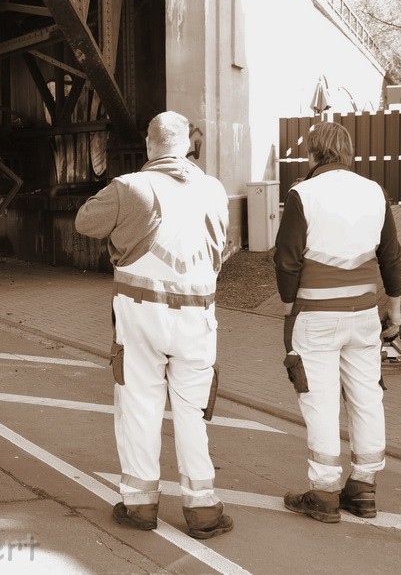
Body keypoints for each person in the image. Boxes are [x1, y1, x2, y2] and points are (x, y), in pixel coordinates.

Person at [75, 111, 233, 540]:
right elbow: (220, 247)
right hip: (198, 315)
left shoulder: (130, 187)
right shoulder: (214, 189)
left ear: (150, 144)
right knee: (193, 412)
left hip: (141, 314)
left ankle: (139, 504)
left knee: (139, 406)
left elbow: (84, 222)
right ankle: (203, 510)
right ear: (187, 145)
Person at [274, 121, 401, 523]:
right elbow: (391, 255)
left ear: (313, 154)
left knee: (321, 401)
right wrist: (395, 308)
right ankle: (363, 488)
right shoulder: (375, 192)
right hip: (364, 316)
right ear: (348, 154)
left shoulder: (303, 194)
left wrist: (286, 305)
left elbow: (287, 259)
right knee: (367, 398)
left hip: (315, 316)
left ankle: (325, 493)